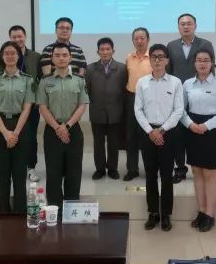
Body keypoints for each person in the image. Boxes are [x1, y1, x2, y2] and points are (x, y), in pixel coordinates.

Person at [181, 48, 216, 232]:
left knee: (210, 173)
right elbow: (181, 109)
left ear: (212, 63)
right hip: (192, 129)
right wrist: (190, 124)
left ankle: (210, 214)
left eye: (206, 60)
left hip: (212, 131)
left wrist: (207, 126)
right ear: (194, 63)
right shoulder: (187, 84)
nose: (202, 63)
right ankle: (201, 211)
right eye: (199, 60)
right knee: (196, 172)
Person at [134, 43, 183, 232]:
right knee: (150, 175)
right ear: (150, 60)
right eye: (154, 56)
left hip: (168, 133)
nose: (157, 60)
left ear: (167, 60)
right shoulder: (142, 82)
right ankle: (153, 212)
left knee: (167, 176)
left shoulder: (175, 82)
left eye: (161, 57)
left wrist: (161, 130)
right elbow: (138, 109)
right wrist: (150, 131)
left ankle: (166, 214)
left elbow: (178, 110)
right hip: (148, 133)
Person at [37, 43, 89, 208]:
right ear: (52, 59)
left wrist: (67, 126)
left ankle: (71, 209)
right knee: (53, 173)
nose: (61, 58)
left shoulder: (79, 80)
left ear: (70, 58)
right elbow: (42, 107)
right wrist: (58, 127)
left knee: (74, 173)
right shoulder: (45, 81)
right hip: (52, 131)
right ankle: (55, 210)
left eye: (64, 55)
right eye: (57, 55)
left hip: (74, 130)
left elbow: (82, 105)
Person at [0, 41, 35, 213]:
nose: (10, 56)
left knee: (20, 176)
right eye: (6, 53)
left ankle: (20, 214)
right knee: (2, 176)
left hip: (20, 126)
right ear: (2, 56)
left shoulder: (28, 80)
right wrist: (6, 133)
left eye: (13, 53)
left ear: (18, 56)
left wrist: (15, 133)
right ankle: (3, 215)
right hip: (0, 127)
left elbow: (27, 108)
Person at [167, 13, 215, 184]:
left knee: (198, 132)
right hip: (178, 96)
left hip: (199, 95)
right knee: (178, 135)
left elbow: (210, 69)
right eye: (182, 24)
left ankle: (199, 166)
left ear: (195, 26)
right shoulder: (171, 46)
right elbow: (169, 72)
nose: (186, 26)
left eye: (189, 23)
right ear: (178, 27)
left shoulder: (205, 44)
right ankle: (180, 168)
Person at [0, 25, 42, 183]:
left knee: (30, 138)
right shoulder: (4, 56)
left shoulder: (36, 56)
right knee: (10, 135)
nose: (17, 39)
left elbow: (41, 80)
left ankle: (31, 167)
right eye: (14, 37)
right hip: (10, 107)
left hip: (31, 106)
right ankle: (13, 168)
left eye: (20, 36)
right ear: (10, 38)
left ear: (25, 36)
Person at [85, 37, 127, 180]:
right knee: (98, 143)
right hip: (97, 112)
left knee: (114, 143)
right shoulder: (90, 69)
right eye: (102, 49)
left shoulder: (122, 68)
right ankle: (100, 169)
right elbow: (87, 90)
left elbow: (124, 89)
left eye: (108, 49)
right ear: (97, 52)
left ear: (113, 51)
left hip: (116, 112)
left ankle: (113, 168)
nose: (105, 52)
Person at [123, 27, 152, 181]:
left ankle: (150, 168)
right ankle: (132, 169)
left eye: (142, 38)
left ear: (148, 39)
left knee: (148, 134)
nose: (139, 41)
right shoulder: (129, 58)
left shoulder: (153, 57)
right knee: (131, 136)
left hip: (150, 100)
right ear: (133, 41)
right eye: (136, 38)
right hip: (132, 98)